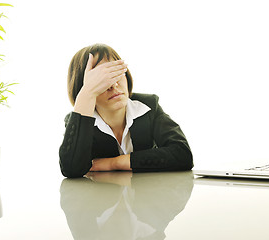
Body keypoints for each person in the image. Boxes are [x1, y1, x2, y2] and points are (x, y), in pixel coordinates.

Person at [59, 43, 193, 178]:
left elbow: (182, 155)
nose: (113, 85)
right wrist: (87, 93)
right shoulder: (78, 120)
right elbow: (71, 170)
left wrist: (113, 163)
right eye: (102, 79)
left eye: (115, 73)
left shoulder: (148, 106)